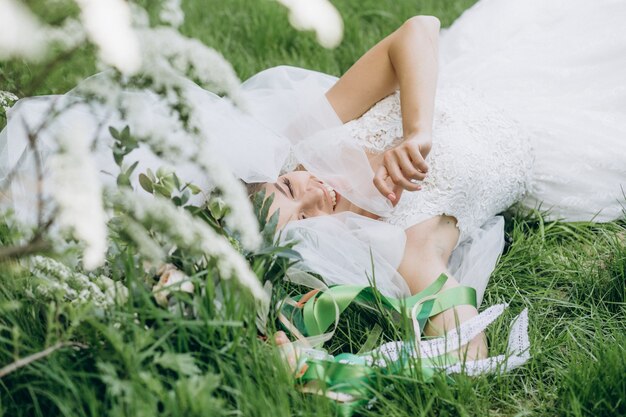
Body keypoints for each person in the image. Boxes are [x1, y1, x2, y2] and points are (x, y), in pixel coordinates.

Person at [239, 0, 626, 360]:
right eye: (306, 222)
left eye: (288, 187)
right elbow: (469, 348)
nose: (314, 194)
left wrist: (417, 131)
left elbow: (419, 29)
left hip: (487, 75)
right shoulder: (403, 247)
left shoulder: (304, 142)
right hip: (549, 131)